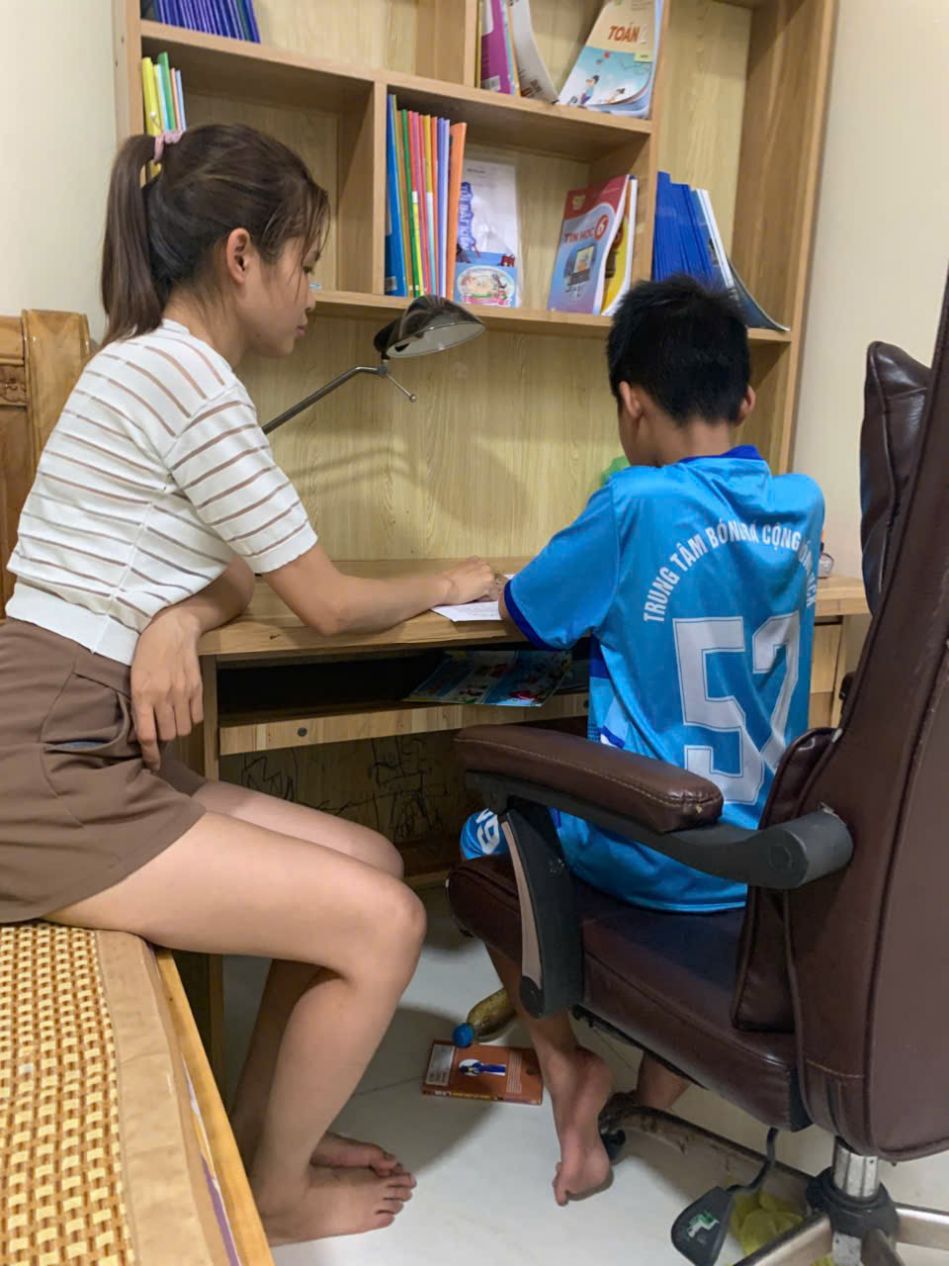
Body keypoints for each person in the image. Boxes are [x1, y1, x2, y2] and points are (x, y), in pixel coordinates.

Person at [0, 122, 496, 1245]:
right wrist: (451, 575)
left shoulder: (148, 367)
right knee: (381, 923)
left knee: (366, 857)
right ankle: (272, 1193)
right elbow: (319, 601)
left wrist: (174, 615)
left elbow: (228, 578)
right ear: (241, 256)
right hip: (44, 764)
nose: (312, 293)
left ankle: (263, 1127)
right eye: (304, 260)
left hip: (71, 737)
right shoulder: (189, 379)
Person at [460, 276, 824, 1206]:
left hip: (654, 850)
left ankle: (567, 1065)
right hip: (759, 859)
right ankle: (658, 1085)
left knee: (476, 840)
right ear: (745, 399)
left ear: (629, 401)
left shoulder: (634, 504)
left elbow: (528, 610)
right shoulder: (801, 508)